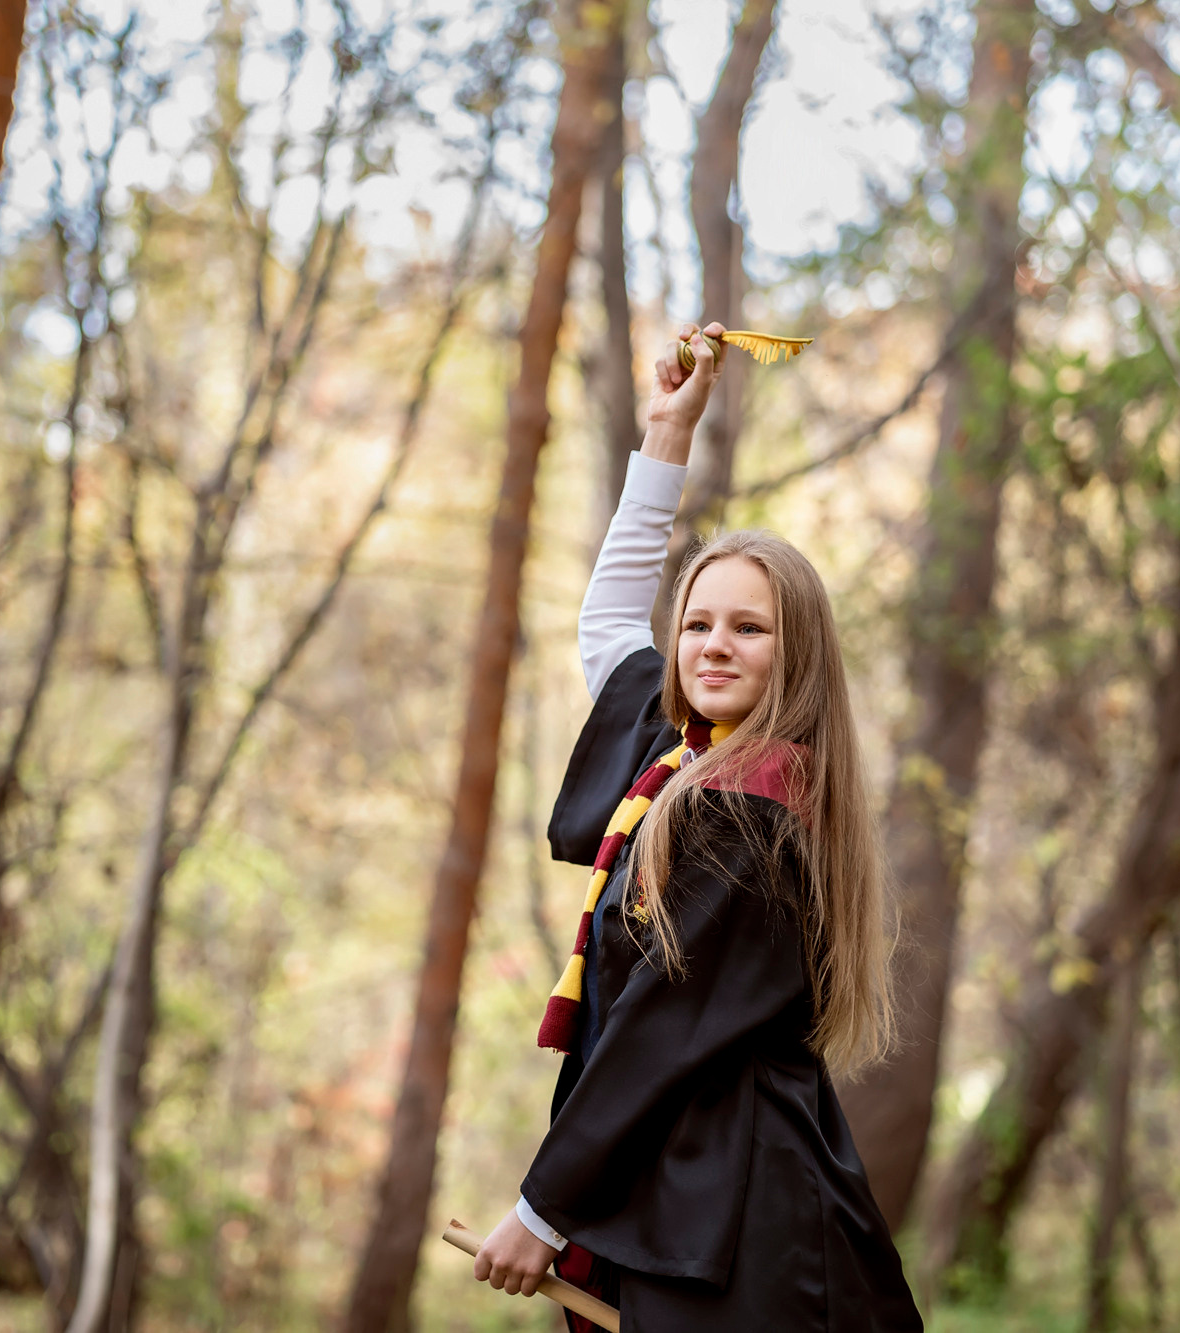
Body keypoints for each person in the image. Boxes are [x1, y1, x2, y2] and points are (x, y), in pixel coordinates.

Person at [471, 323, 923, 1331]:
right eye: (697, 623)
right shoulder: (682, 760)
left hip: (739, 1223)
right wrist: (666, 436)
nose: (714, 644)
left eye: (748, 627)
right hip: (670, 1199)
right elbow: (606, 630)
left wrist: (540, 1210)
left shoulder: (756, 803)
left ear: (795, 654)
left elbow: (660, 1023)